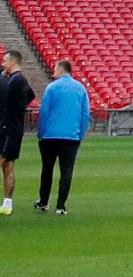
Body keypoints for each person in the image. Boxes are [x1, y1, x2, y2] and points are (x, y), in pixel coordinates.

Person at [35, 61, 89, 217]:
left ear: (60, 69)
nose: (53, 73)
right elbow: (85, 114)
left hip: (50, 136)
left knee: (47, 169)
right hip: (71, 137)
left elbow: (44, 112)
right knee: (66, 171)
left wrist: (41, 133)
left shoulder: (52, 88)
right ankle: (61, 205)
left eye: (55, 70)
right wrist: (80, 135)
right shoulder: (80, 88)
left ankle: (43, 202)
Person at [0, 49, 33, 214]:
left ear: (12, 62)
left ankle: (7, 204)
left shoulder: (15, 80)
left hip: (8, 129)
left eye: (5, 61)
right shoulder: (19, 80)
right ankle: (7, 204)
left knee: (4, 163)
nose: (2, 64)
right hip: (14, 128)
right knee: (8, 166)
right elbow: (30, 96)